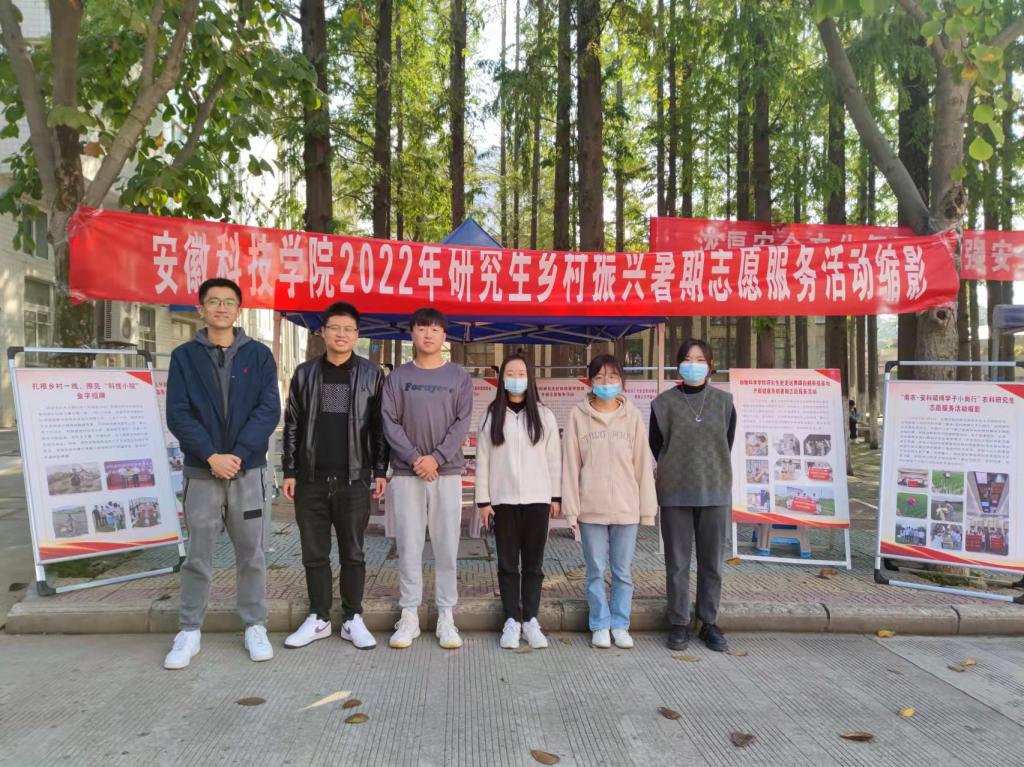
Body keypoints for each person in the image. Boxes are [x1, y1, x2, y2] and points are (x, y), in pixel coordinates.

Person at [163, 277, 280, 670]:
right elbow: (178, 413)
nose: (221, 308)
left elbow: (268, 410)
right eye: (213, 301)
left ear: (238, 310)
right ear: (201, 308)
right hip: (202, 471)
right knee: (198, 554)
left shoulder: (259, 355)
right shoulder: (184, 357)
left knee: (252, 554)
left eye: (229, 302)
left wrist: (238, 455)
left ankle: (255, 625)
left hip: (248, 472)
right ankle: (189, 629)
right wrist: (212, 455)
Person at [281, 301, 390, 651]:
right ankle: (319, 618)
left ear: (357, 335)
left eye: (348, 329)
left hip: (353, 478)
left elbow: (380, 427)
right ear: (323, 332)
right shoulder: (305, 373)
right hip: (311, 478)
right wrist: (290, 470)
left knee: (353, 552)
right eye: (335, 328)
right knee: (314, 552)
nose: (341, 335)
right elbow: (292, 424)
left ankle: (353, 617)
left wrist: (379, 470)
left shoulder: (371, 375)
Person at [382, 308, 473, 650]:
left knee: (447, 545)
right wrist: (415, 459)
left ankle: (446, 613)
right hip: (407, 473)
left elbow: (462, 423)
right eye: (422, 328)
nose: (429, 334)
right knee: (408, 544)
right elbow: (389, 421)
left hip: (446, 473)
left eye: (435, 329)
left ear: (444, 335)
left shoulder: (459, 377)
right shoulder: (398, 377)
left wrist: (436, 458)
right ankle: (409, 613)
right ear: (412, 333)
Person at [562, 354, 657, 650]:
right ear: (590, 381)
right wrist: (571, 510)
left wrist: (647, 510)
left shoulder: (633, 416)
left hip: (627, 509)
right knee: (594, 571)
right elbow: (570, 465)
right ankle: (600, 624)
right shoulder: (578, 415)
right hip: (591, 509)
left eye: (613, 377)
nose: (606, 382)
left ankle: (620, 624)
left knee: (622, 572)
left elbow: (642, 465)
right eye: (600, 377)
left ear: (622, 381)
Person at [650, 338, 736, 653]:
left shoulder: (724, 403)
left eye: (700, 359)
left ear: (710, 365)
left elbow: (727, 442)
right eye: (687, 359)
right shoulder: (662, 404)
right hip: (675, 492)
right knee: (677, 562)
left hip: (714, 490)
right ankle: (679, 622)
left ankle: (708, 622)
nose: (693, 365)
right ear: (679, 365)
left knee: (712, 563)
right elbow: (657, 445)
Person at [476, 353, 561, 650]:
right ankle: (512, 619)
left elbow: (554, 459)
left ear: (530, 377)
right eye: (510, 373)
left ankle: (531, 620)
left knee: (534, 564)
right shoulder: (491, 415)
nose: (515, 378)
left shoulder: (544, 415)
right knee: (508, 563)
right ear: (502, 379)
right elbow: (483, 460)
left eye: (521, 373)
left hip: (538, 500)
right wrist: (483, 502)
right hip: (503, 501)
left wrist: (555, 496)